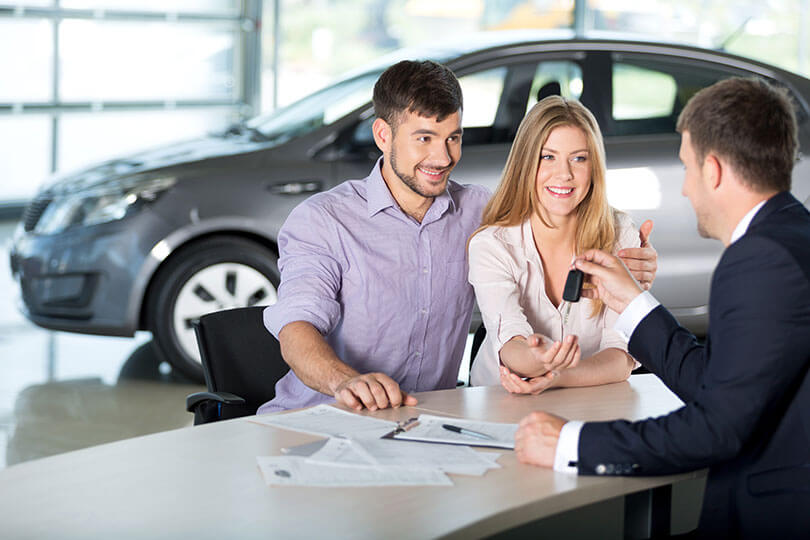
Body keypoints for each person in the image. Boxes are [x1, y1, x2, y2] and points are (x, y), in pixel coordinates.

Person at [257, 60, 658, 414]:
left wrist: (639, 270)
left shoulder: (483, 215)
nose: (443, 157)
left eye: (453, 137)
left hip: (427, 423)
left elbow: (555, 214)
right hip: (322, 415)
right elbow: (296, 327)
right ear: (383, 135)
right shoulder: (324, 219)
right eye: (424, 138)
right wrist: (344, 381)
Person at [514, 77, 810, 538]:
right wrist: (631, 300)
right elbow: (716, 382)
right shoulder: (793, 234)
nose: (687, 190)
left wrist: (569, 442)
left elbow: (717, 427)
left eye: (688, 169)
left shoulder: (759, 260)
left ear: (713, 170)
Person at [468, 96, 653, 392]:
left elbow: (621, 357)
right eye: (548, 157)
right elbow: (510, 345)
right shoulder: (492, 245)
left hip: (589, 399)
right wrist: (536, 358)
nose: (564, 174)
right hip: (502, 399)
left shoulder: (620, 235)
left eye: (579, 158)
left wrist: (557, 376)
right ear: (525, 163)